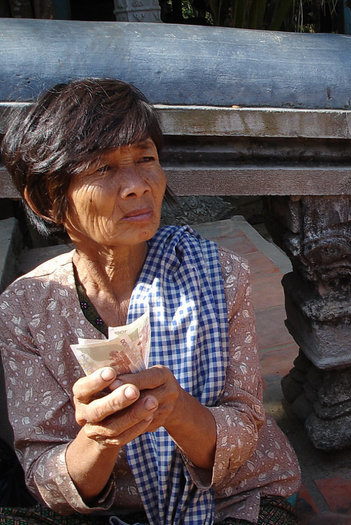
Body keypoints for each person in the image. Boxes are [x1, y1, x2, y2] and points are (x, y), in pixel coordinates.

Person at [0, 78, 302, 525]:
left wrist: (175, 409)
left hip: (229, 498)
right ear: (45, 197)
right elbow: (46, 475)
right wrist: (101, 438)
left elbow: (244, 427)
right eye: (102, 169)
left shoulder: (218, 275)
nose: (137, 185)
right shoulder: (26, 308)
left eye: (145, 158)